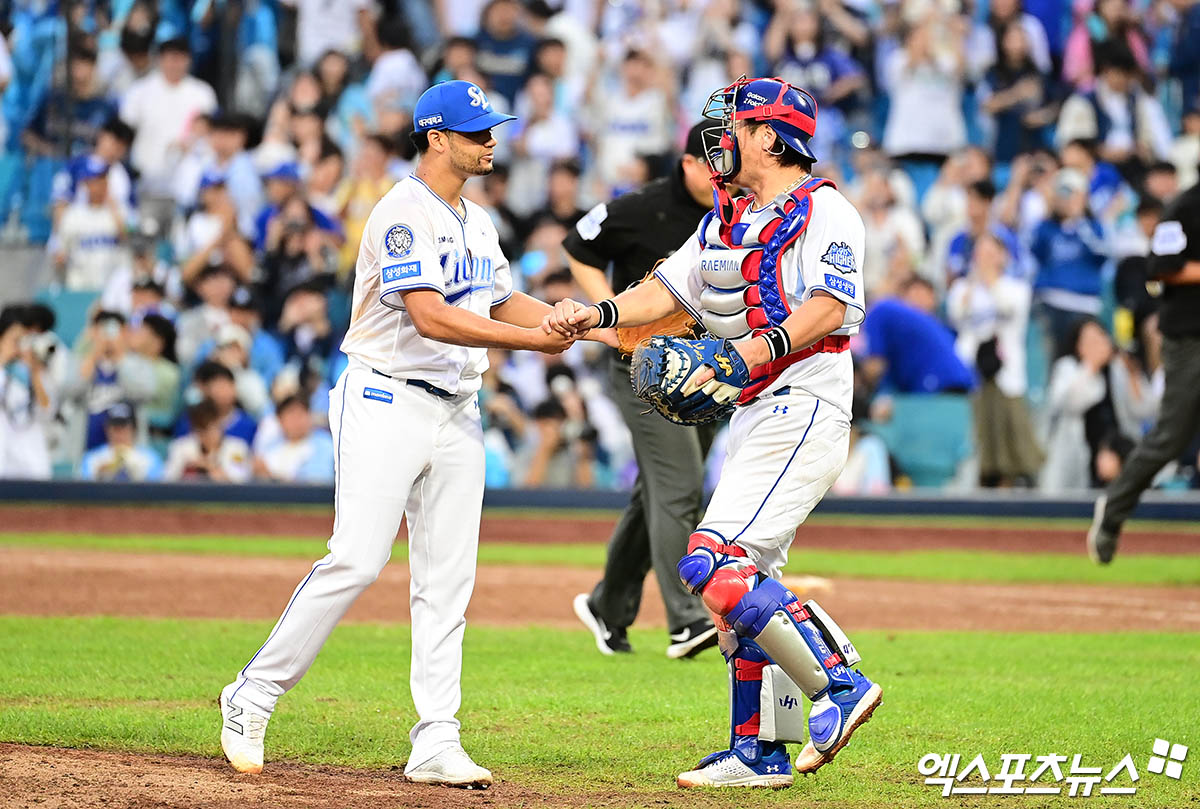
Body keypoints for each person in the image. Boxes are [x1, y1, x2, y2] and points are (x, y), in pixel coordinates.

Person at [217, 79, 606, 788]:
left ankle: (436, 739)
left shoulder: (476, 219)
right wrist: (534, 342)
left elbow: (497, 298)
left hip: (458, 407)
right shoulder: (401, 211)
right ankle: (253, 693)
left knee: (447, 581)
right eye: (476, 131)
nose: (490, 141)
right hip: (385, 396)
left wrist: (570, 319)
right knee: (356, 559)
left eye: (490, 129)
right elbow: (430, 315)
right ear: (437, 138)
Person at [547, 77, 881, 789]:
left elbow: (830, 307)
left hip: (807, 400)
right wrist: (598, 315)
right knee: (739, 591)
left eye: (738, 126)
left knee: (710, 563)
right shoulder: (727, 218)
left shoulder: (827, 210)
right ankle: (759, 751)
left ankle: (839, 683)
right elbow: (666, 290)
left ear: (771, 138)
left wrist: (750, 351)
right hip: (756, 411)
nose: (722, 139)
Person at [562, 122, 719, 659]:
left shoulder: (736, 209)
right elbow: (579, 245)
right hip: (642, 368)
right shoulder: (642, 206)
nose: (722, 172)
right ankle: (687, 620)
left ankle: (608, 606)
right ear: (688, 163)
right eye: (713, 162)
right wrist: (606, 315)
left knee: (657, 490)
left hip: (708, 370)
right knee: (681, 484)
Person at [1088, 180, 1200, 562]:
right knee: (1170, 438)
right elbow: (1161, 267)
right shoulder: (1185, 208)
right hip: (1189, 338)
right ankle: (1113, 510)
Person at [946, 232, 1042, 486]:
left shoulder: (1017, 288)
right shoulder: (963, 288)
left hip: (1007, 372)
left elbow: (1010, 308)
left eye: (990, 253)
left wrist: (990, 282)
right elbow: (956, 313)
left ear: (1003, 256)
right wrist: (974, 282)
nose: (984, 259)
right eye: (980, 253)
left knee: (1012, 432)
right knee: (979, 434)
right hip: (973, 370)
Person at [164, 398, 253, 482]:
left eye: (212, 427)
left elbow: (241, 476)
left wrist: (213, 468)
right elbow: (167, 478)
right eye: (202, 430)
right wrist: (188, 469)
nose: (208, 435)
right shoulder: (181, 447)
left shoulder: (237, 447)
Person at [80, 402, 163, 482]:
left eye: (123, 427)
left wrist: (137, 471)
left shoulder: (150, 458)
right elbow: (83, 483)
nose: (119, 433)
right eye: (115, 428)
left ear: (134, 429)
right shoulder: (91, 458)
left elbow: (157, 485)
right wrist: (99, 474)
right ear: (107, 429)